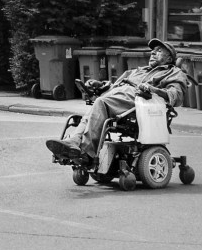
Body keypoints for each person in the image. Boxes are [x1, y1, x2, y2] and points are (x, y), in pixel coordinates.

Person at [45, 38, 188, 165]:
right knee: (96, 105)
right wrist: (101, 85)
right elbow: (116, 84)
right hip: (118, 95)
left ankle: (85, 152)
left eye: (158, 51)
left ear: (169, 58)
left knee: (101, 103)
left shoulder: (173, 72)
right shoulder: (138, 70)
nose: (152, 53)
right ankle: (74, 142)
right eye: (152, 51)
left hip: (140, 99)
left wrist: (153, 89)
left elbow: (176, 96)